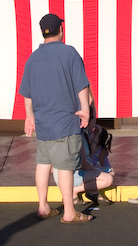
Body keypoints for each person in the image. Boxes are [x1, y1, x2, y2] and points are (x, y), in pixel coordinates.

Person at [19, 13, 92, 224]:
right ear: (61, 29)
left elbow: (27, 94)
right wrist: (85, 110)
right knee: (65, 167)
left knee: (43, 163)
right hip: (65, 121)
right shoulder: (69, 53)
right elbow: (81, 85)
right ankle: (69, 212)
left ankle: (43, 206)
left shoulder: (32, 58)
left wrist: (29, 117)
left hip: (43, 123)